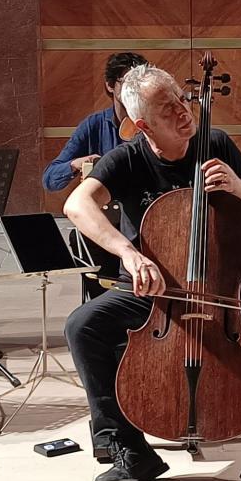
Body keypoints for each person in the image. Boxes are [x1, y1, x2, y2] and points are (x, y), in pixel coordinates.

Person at [62, 64, 241, 481]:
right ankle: (130, 449)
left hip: (224, 284)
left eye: (182, 100)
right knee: (82, 325)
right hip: (157, 290)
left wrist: (239, 187)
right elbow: (77, 205)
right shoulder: (128, 158)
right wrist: (128, 254)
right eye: (167, 110)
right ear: (143, 125)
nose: (184, 112)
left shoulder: (217, 143)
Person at [45, 51, 147, 299]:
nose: (135, 89)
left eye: (140, 83)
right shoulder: (93, 126)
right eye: (127, 82)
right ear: (111, 86)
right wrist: (74, 164)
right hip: (106, 225)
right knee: (81, 236)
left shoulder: (154, 124)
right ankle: (104, 308)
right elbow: (49, 178)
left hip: (146, 222)